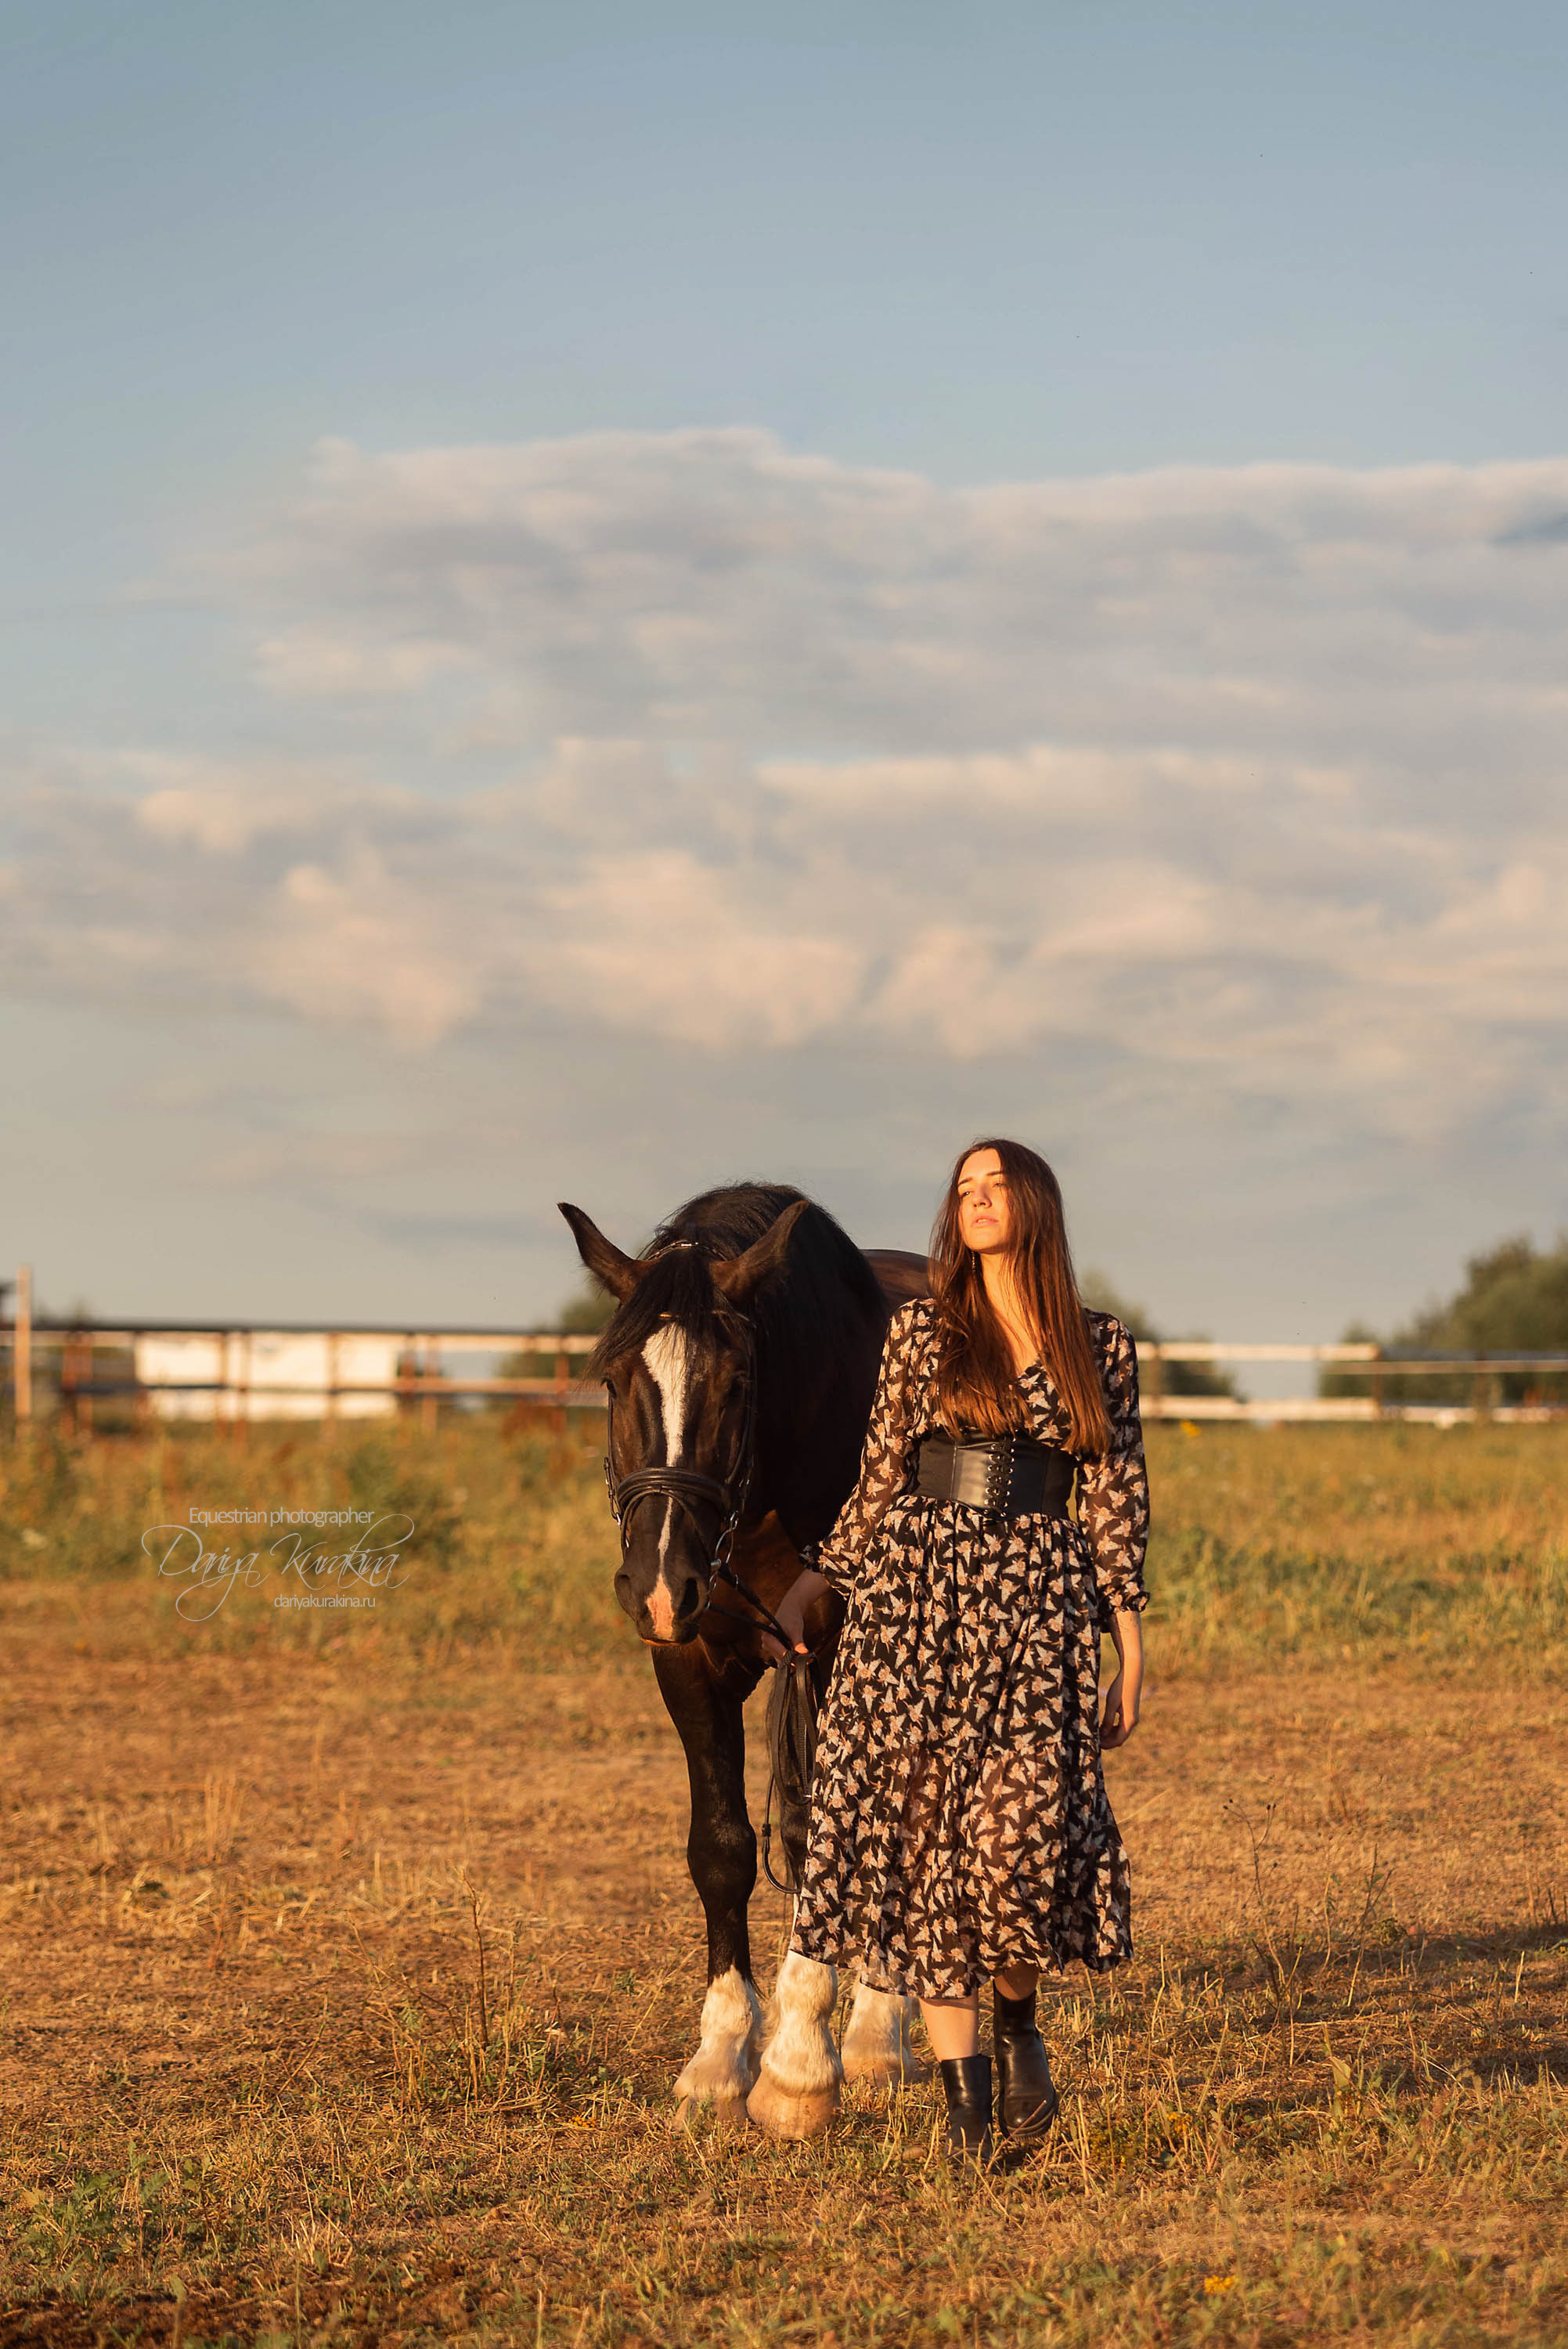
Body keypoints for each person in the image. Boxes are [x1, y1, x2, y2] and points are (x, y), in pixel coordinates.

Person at [765, 1138, 1150, 2165]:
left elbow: (1116, 1495)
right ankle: (967, 2107)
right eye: (964, 1189)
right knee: (931, 1855)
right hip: (916, 1601)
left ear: (1037, 1205)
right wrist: (815, 1580)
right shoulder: (926, 1331)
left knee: (1020, 1844)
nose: (977, 1199)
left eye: (997, 1185)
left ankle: (1020, 2027)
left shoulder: (1102, 1344)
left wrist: (1130, 1643)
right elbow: (882, 1473)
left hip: (1040, 1607)